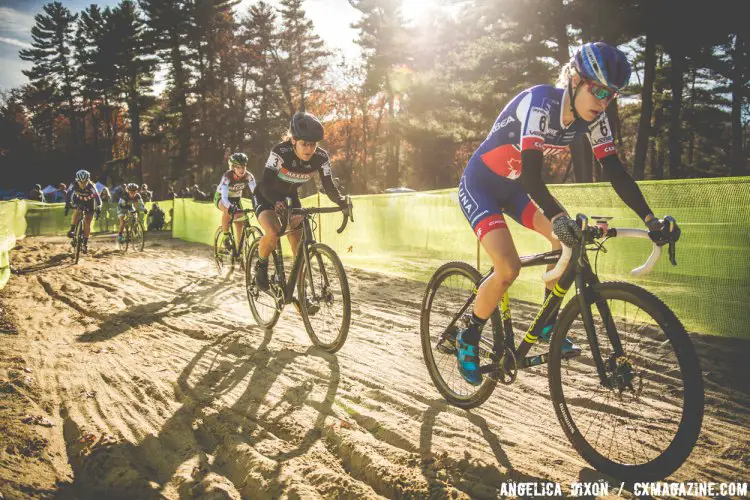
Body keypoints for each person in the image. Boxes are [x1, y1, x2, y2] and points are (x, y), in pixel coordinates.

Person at [454, 42, 681, 386]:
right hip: (482, 184)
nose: (603, 102)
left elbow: (615, 172)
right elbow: (532, 175)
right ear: (575, 79)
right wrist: (559, 217)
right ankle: (468, 336)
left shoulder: (594, 119)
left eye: (612, 96)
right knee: (509, 268)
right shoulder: (541, 102)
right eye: (599, 91)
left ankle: (546, 324)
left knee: (565, 243)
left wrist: (651, 220)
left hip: (515, 189)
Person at [254, 111, 348, 290]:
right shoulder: (280, 152)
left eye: (313, 145)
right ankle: (262, 264)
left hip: (290, 198)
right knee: (273, 233)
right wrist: (276, 202)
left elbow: (328, 186)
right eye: (304, 144)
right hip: (267, 196)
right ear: (293, 141)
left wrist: (341, 202)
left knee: (298, 245)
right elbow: (265, 184)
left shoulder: (321, 157)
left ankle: (301, 290)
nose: (309, 149)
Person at [214, 152, 256, 251]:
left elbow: (255, 193)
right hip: (222, 197)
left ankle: (239, 249)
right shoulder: (227, 176)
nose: (242, 170)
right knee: (227, 209)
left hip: (236, 199)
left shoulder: (249, 176)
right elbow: (224, 198)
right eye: (238, 167)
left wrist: (259, 203)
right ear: (233, 168)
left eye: (244, 166)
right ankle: (225, 235)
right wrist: (230, 206)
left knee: (240, 223)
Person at [65, 170, 102, 254]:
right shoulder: (73, 184)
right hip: (78, 199)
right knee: (77, 211)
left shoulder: (91, 185)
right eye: (80, 182)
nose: (82, 184)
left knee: (87, 221)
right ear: (77, 180)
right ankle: (72, 229)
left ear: (88, 180)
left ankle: (85, 244)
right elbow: (68, 193)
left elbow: (97, 196)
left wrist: (99, 206)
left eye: (85, 182)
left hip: (89, 201)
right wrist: (67, 203)